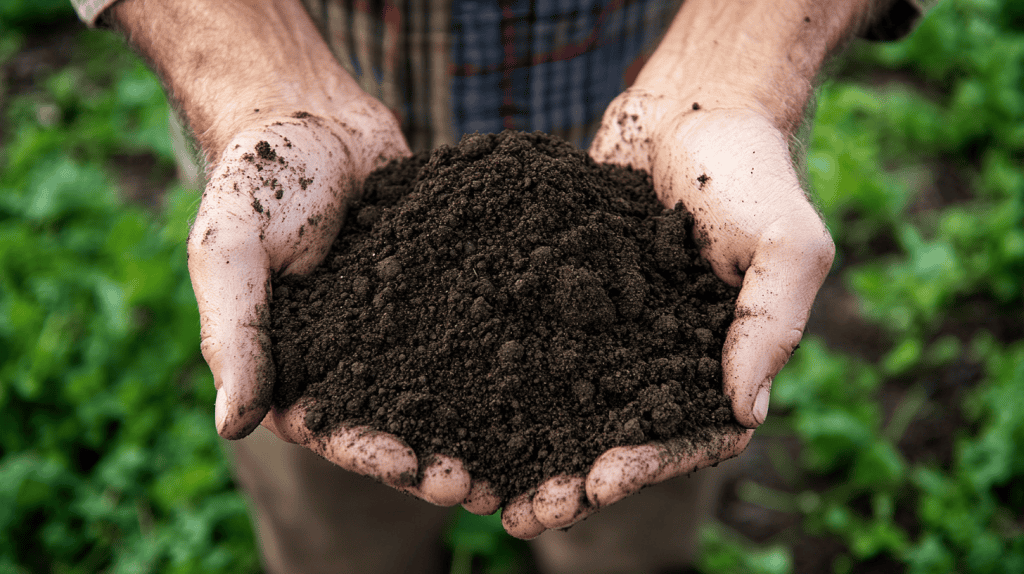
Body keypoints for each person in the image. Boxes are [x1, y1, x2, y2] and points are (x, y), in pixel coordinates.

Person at [71, 0, 923, 572]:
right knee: (334, 539)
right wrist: (258, 79)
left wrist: (736, 67)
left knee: (633, 535)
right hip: (306, 197)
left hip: (681, 160)